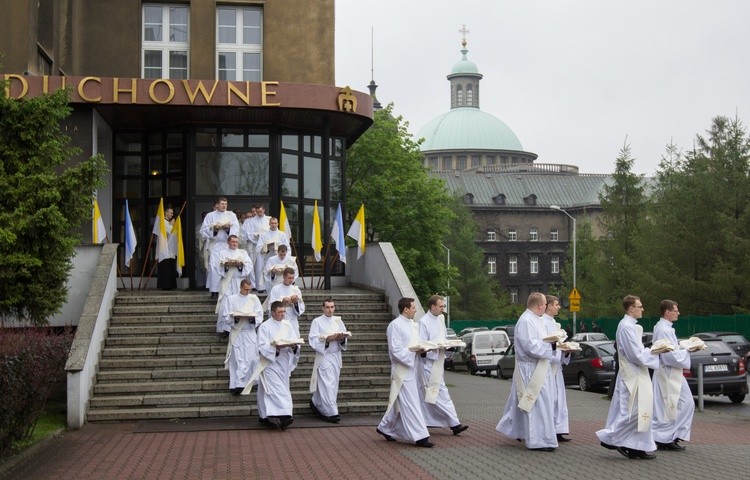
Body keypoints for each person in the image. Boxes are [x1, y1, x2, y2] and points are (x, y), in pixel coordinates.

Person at [596, 295, 661, 460]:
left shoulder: (631, 326)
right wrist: (655, 351)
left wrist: (651, 350)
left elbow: (637, 351)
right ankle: (612, 438)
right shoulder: (626, 327)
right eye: (640, 306)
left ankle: (636, 446)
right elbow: (635, 354)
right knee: (634, 412)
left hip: (637, 372)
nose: (643, 309)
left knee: (642, 411)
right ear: (631, 308)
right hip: (632, 374)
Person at [496, 292, 559, 451]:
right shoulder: (526, 321)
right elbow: (530, 346)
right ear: (539, 305)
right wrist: (550, 346)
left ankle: (523, 432)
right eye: (545, 304)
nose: (546, 307)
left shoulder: (536, 319)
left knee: (535, 402)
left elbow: (540, 341)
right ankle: (538, 441)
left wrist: (552, 342)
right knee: (536, 404)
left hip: (539, 366)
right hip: (530, 367)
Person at [376, 298, 434, 448]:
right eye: (413, 307)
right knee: (411, 403)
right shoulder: (394, 326)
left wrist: (422, 350)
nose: (415, 310)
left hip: (412, 369)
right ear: (405, 309)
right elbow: (395, 350)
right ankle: (421, 437)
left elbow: (416, 345)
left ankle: (385, 427)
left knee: (401, 402)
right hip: (401, 370)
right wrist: (414, 354)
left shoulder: (413, 325)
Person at [417, 295, 468, 436]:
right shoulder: (423, 322)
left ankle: (427, 421)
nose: (443, 309)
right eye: (441, 306)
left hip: (438, 362)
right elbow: (422, 344)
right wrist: (433, 349)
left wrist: (449, 347)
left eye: (444, 306)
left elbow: (443, 339)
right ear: (432, 306)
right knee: (439, 394)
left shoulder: (440, 319)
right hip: (428, 364)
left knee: (435, 395)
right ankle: (454, 423)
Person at [249, 301, 298, 430]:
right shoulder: (265, 327)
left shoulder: (288, 325)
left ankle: (264, 416)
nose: (283, 314)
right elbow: (262, 346)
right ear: (273, 312)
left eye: (284, 311)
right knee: (278, 389)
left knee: (266, 390)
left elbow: (294, 340)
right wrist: (276, 349)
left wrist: (293, 346)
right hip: (270, 363)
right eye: (280, 312)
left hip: (284, 362)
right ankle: (285, 416)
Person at [651, 299, 693, 451]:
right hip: (668, 373)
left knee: (683, 403)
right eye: (676, 310)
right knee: (670, 405)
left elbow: (671, 350)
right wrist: (687, 350)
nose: (678, 313)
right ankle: (664, 437)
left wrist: (683, 348)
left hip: (673, 373)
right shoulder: (663, 329)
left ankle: (670, 435)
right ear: (667, 312)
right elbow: (669, 356)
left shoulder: (665, 328)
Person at [219, 279, 264, 394]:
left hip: (249, 332)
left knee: (251, 358)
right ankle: (236, 384)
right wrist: (236, 318)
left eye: (249, 289)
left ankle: (248, 381)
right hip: (237, 332)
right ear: (240, 287)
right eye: (245, 289)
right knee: (237, 359)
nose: (248, 291)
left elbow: (259, 314)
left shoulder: (254, 299)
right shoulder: (232, 299)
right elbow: (226, 314)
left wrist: (252, 318)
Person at [308, 299, 348, 423]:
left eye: (332, 307)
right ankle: (331, 411)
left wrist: (341, 338)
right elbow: (313, 339)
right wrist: (327, 340)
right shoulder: (317, 322)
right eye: (327, 307)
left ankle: (317, 402)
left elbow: (344, 337)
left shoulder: (338, 321)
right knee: (327, 383)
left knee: (333, 383)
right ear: (322, 308)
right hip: (324, 356)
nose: (330, 310)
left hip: (336, 355)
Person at [542, 295, 571, 442]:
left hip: (556, 367)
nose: (559, 307)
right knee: (552, 398)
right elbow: (546, 344)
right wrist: (557, 350)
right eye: (556, 304)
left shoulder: (553, 322)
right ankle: (551, 428)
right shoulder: (542, 322)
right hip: (548, 367)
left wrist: (565, 350)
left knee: (559, 399)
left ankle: (559, 429)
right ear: (548, 306)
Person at [199, 197, 239, 299]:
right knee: (214, 267)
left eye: (225, 204)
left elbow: (236, 229)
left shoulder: (231, 215)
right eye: (222, 204)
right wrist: (215, 229)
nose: (224, 206)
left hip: (227, 244)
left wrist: (228, 229)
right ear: (217, 205)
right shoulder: (210, 215)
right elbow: (203, 231)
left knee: (227, 266)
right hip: (215, 245)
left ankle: (227, 289)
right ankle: (214, 291)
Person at [212, 235, 253, 310]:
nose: (235, 244)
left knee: (239, 302)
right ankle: (225, 321)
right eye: (233, 242)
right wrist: (226, 266)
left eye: (236, 242)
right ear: (228, 242)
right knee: (225, 302)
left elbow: (249, 265)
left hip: (239, 282)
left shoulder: (243, 253)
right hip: (227, 282)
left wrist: (240, 266)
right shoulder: (222, 253)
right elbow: (217, 266)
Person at [255, 217, 290, 292]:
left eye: (275, 223)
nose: (273, 225)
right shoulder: (264, 235)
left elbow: (287, 247)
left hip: (280, 259)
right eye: (272, 223)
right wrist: (267, 247)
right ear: (269, 224)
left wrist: (280, 250)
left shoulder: (282, 234)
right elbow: (258, 248)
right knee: (269, 278)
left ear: (278, 224)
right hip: (269, 259)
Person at [241, 204, 270, 292]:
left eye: (260, 211)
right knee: (258, 266)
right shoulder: (251, 221)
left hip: (268, 246)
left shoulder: (269, 219)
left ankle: (267, 285)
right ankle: (259, 286)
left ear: (264, 210)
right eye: (257, 212)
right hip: (255, 245)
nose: (259, 213)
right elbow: (249, 234)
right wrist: (257, 237)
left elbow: (272, 231)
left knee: (266, 266)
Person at [156, 206, 178, 290]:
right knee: (165, 269)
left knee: (171, 268)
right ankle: (165, 285)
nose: (172, 215)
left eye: (172, 213)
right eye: (171, 213)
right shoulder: (163, 222)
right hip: (165, 250)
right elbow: (169, 232)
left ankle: (171, 285)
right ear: (166, 212)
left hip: (171, 250)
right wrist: (172, 225)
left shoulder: (168, 222)